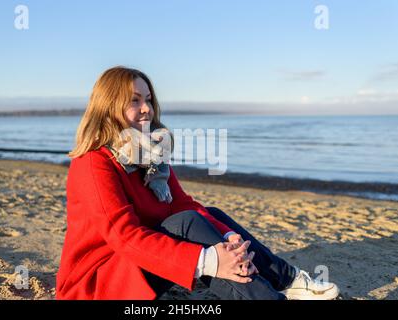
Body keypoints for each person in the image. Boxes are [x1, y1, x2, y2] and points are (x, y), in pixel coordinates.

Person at [55, 66, 339, 300]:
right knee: (189, 224)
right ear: (108, 106)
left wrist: (227, 237)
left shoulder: (150, 155)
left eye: (149, 100)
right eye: (135, 100)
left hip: (138, 263)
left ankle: (288, 280)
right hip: (97, 284)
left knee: (210, 215)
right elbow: (125, 237)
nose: (147, 109)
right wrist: (209, 259)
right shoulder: (93, 163)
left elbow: (181, 203)